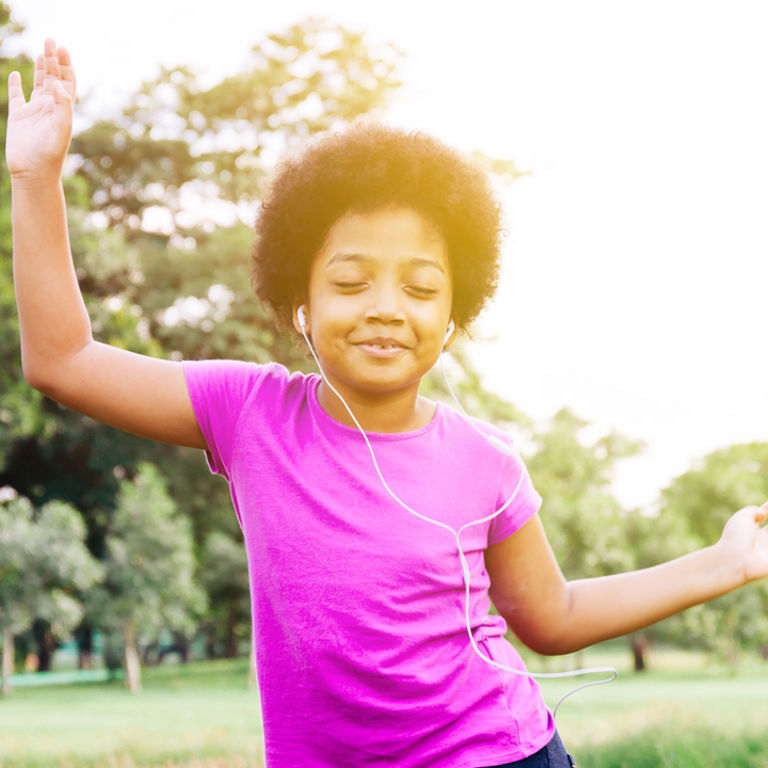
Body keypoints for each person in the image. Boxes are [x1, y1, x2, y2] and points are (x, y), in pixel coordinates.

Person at [6, 39, 768, 768]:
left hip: (498, 758)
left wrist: (725, 562)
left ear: (453, 319)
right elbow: (64, 361)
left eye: (420, 287)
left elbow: (554, 616)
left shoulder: (487, 463)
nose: (384, 307)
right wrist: (37, 180)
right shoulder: (249, 413)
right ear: (299, 300)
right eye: (349, 281)